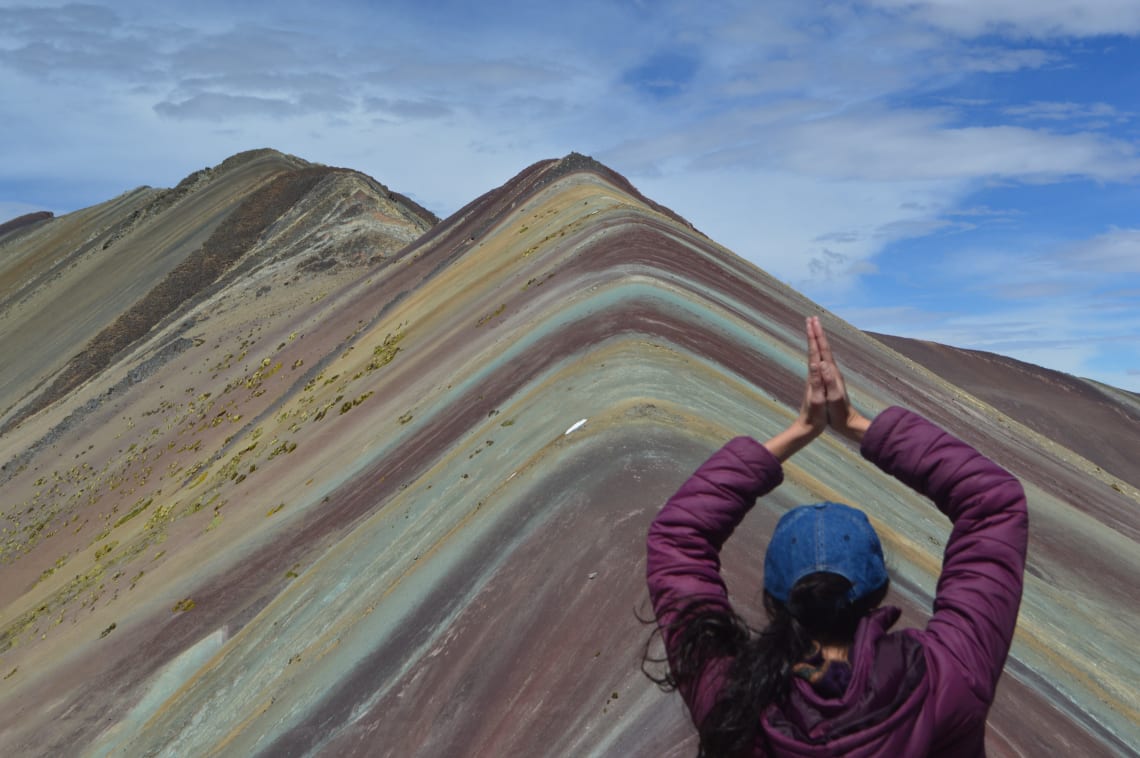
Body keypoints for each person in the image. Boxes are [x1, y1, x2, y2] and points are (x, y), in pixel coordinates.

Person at [645, 316, 1028, 757]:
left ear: (774, 598)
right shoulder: (946, 679)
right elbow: (993, 500)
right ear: (878, 589)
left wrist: (798, 431)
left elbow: (678, 536)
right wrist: (856, 425)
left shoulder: (732, 700)